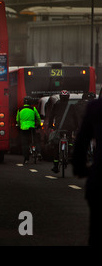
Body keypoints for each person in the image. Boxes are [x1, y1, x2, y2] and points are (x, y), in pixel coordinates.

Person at [72, 96, 102, 246]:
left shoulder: (96, 107)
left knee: (96, 231)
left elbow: (81, 142)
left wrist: (80, 168)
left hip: (99, 180)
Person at [48, 90, 73, 173]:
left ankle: (55, 165)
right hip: (69, 127)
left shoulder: (56, 104)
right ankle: (69, 152)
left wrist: (50, 125)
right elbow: (75, 117)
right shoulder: (71, 105)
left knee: (56, 145)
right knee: (70, 141)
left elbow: (52, 115)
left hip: (59, 127)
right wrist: (76, 126)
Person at [16, 96, 41, 164]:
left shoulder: (20, 110)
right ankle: (38, 152)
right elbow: (38, 117)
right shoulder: (33, 109)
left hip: (23, 128)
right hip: (32, 127)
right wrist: (38, 124)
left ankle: (26, 158)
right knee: (35, 140)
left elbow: (17, 120)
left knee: (25, 143)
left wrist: (19, 125)